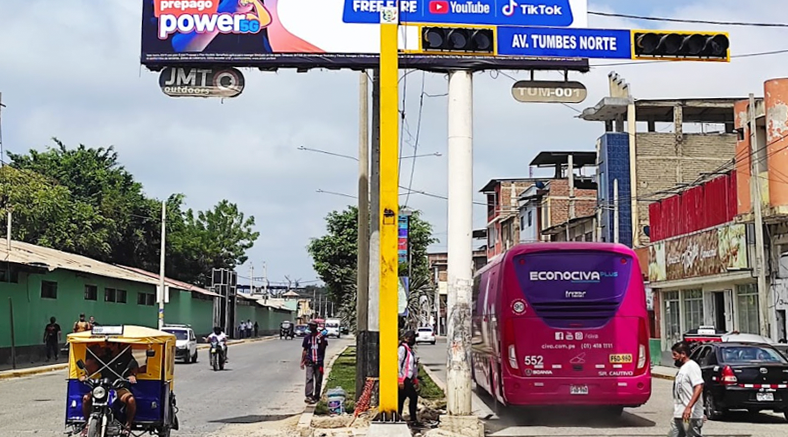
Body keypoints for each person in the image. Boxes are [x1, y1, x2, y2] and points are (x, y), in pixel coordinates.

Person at [80, 342, 139, 436]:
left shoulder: (127, 358)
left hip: (119, 387)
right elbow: (93, 368)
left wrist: (132, 376)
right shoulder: (103, 358)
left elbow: (134, 369)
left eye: (110, 344)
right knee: (86, 398)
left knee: (131, 400)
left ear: (117, 346)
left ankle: (128, 425)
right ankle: (87, 424)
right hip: (103, 387)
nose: (107, 347)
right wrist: (85, 375)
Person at [670, 341, 704, 437]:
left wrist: (689, 407)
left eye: (675, 354)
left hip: (690, 416)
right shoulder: (683, 369)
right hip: (679, 414)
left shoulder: (692, 367)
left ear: (683, 354)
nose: (673, 357)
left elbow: (699, 386)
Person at [301, 321, 328, 404]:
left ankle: (316, 396)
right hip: (309, 361)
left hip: (319, 362)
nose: (311, 327)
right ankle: (309, 396)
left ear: (316, 327)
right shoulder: (307, 338)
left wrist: (322, 339)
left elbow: (324, 348)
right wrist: (302, 361)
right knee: (309, 379)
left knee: (318, 380)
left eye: (313, 326)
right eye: (310, 326)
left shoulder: (321, 337)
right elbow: (305, 350)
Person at [398, 330, 421, 425]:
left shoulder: (409, 350)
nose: (413, 339)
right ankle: (413, 418)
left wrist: (415, 379)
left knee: (401, 398)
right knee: (413, 397)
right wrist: (400, 379)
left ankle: (398, 416)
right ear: (406, 338)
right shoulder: (402, 349)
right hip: (404, 378)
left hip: (409, 378)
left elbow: (413, 366)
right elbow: (398, 363)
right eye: (412, 337)